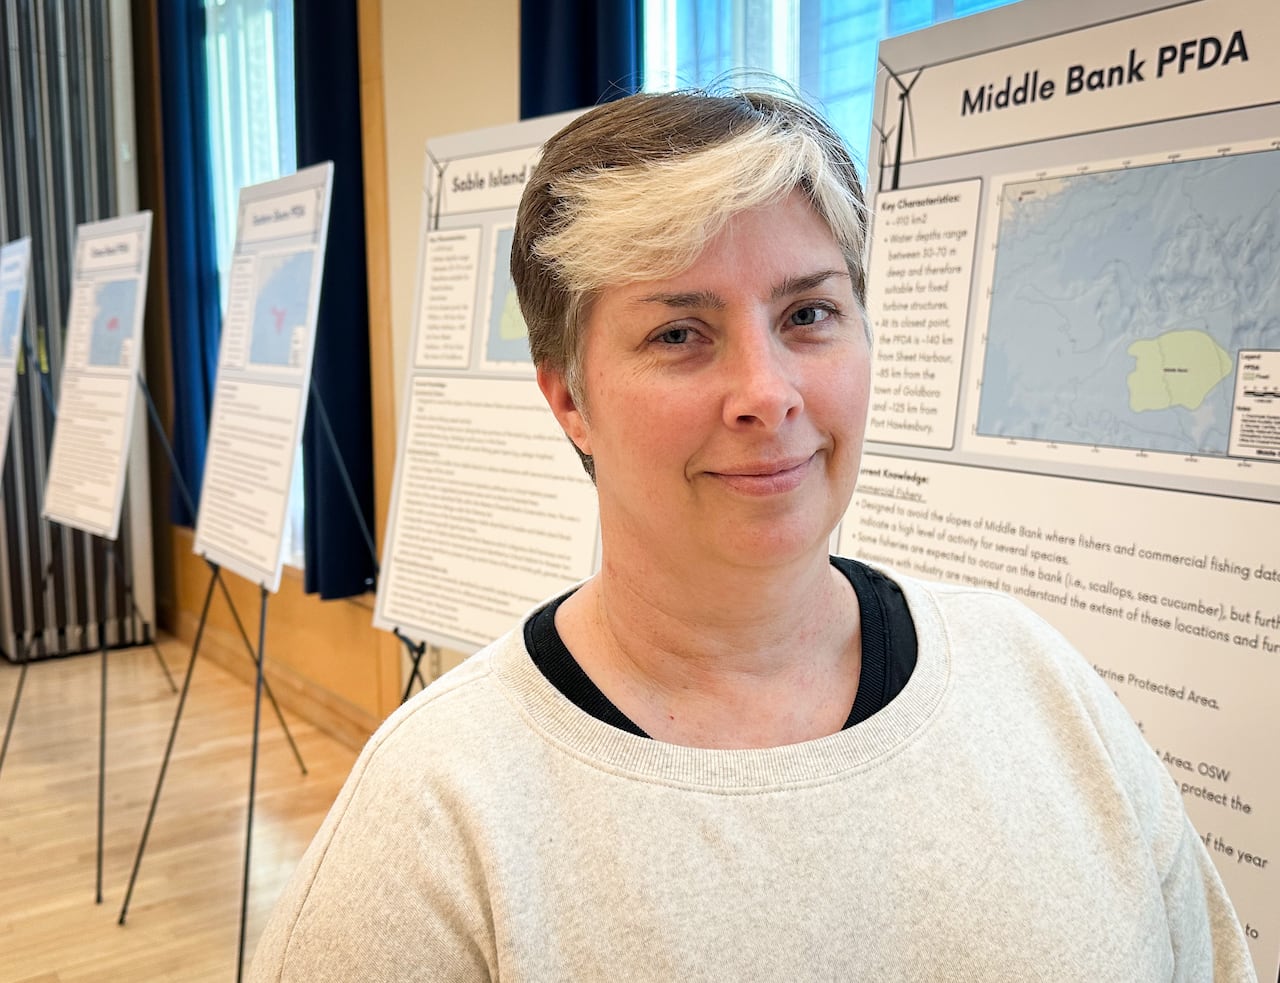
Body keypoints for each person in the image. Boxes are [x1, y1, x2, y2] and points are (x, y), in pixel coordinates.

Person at [249, 88, 1257, 981]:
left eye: (808, 313)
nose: (766, 393)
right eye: (678, 333)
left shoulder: (1033, 680)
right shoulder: (438, 818)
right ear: (570, 400)